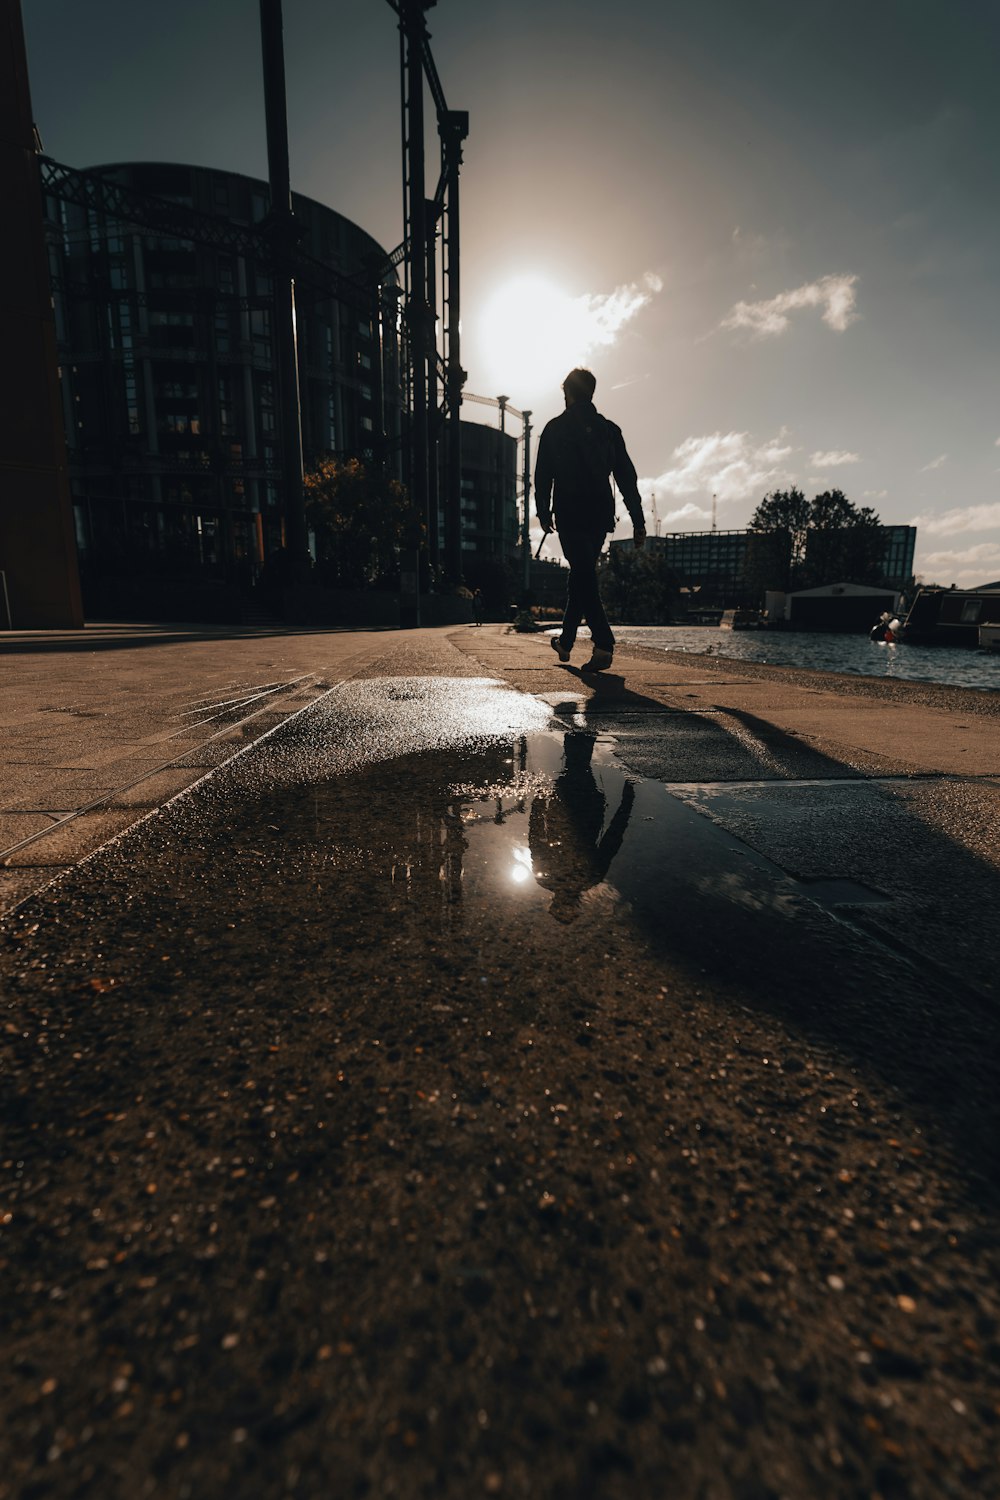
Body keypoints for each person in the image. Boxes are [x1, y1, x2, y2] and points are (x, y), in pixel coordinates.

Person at [534, 367, 646, 671]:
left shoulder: (555, 428)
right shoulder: (609, 430)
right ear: (591, 392)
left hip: (569, 510)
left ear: (567, 393)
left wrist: (543, 511)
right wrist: (638, 519)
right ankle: (566, 641)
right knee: (582, 573)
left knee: (583, 572)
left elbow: (542, 474)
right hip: (599, 513)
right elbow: (626, 477)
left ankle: (604, 643)